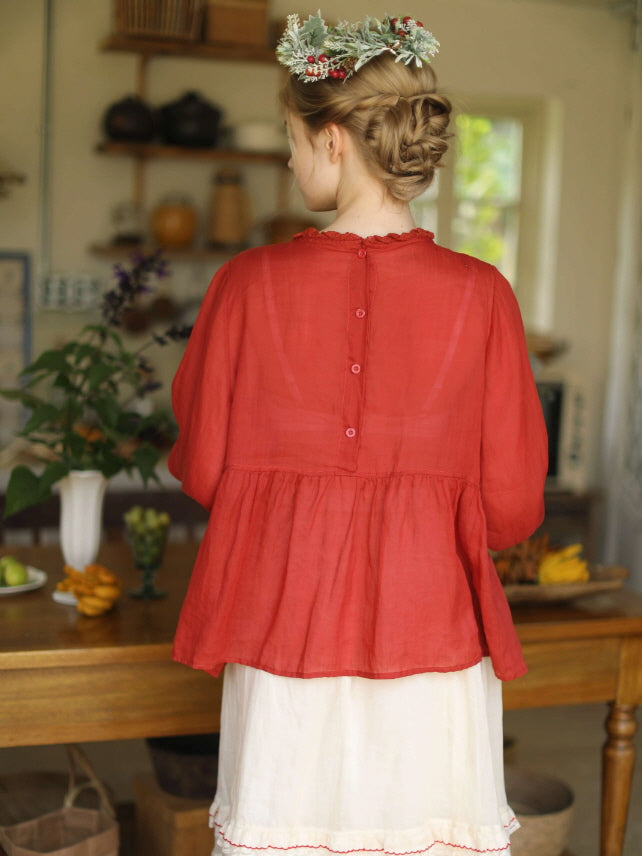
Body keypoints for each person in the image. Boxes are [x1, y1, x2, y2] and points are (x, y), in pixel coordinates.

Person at [168, 12, 548, 856]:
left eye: (291, 137)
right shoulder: (482, 295)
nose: (288, 157)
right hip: (434, 637)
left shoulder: (245, 284)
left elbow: (202, 466)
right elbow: (515, 503)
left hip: (281, 633)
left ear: (334, 141)